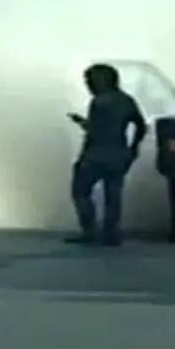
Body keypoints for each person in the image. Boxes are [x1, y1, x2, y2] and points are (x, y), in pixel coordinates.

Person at [68, 63, 148, 247]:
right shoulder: (127, 100)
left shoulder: (99, 102)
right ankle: (111, 233)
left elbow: (96, 130)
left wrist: (82, 123)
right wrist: (133, 148)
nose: (88, 84)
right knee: (113, 194)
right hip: (119, 153)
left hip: (96, 153)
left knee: (80, 190)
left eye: (90, 80)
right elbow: (141, 125)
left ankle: (90, 231)